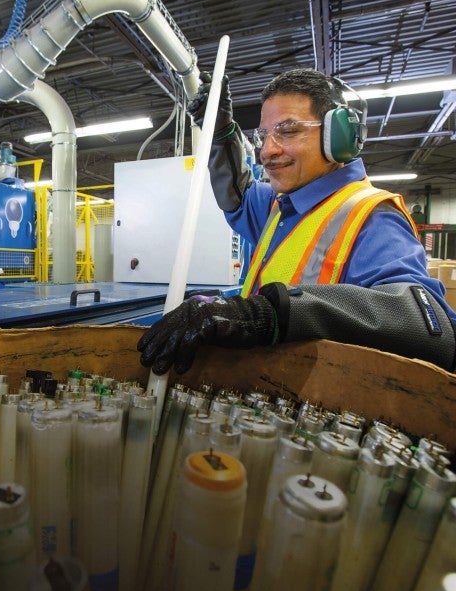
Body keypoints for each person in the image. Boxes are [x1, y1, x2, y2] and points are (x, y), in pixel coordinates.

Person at [137, 68, 456, 375]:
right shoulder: (278, 205)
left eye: (288, 131)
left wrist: (264, 315)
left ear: (338, 136)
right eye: (264, 135)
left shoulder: (372, 216)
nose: (267, 151)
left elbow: (425, 327)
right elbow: (237, 195)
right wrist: (221, 133)